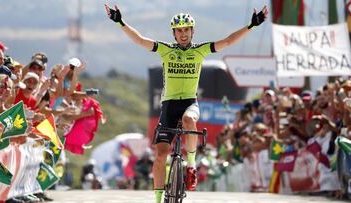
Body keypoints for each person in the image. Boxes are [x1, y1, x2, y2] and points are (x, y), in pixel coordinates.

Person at [105, 4, 268, 203]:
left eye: (187, 29)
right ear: (174, 33)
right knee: (160, 156)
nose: (183, 34)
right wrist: (120, 22)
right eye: (179, 30)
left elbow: (227, 41)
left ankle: (190, 165)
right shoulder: (166, 50)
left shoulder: (200, 50)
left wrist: (251, 26)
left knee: (189, 119)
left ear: (192, 31)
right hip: (168, 106)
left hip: (190, 103)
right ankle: (158, 199)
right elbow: (140, 40)